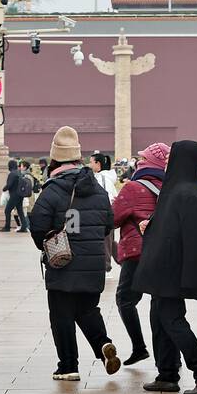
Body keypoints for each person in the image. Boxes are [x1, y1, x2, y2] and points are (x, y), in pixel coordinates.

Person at [133, 140, 197, 394]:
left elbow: (194, 236)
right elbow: (170, 225)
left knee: (171, 319)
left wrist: (193, 275)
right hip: (166, 270)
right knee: (159, 316)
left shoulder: (185, 192)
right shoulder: (185, 189)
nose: (168, 160)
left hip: (172, 271)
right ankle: (167, 373)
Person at [28, 127, 121, 381]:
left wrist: (46, 245)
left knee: (62, 316)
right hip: (93, 265)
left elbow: (37, 225)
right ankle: (103, 345)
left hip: (63, 263)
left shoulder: (53, 190)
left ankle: (68, 366)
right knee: (88, 309)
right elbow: (108, 224)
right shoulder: (98, 190)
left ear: (54, 160)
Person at [112, 142, 169, 367]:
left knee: (125, 300)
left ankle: (139, 347)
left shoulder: (133, 188)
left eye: (143, 158)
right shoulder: (170, 187)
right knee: (161, 305)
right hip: (163, 253)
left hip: (137, 253)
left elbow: (113, 218)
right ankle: (168, 358)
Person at [1, 159, 29, 232]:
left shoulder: (12, 174)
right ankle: (24, 226)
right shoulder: (19, 173)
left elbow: (9, 185)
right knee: (20, 211)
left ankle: (7, 227)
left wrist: (4, 189)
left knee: (7, 210)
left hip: (14, 195)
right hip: (20, 194)